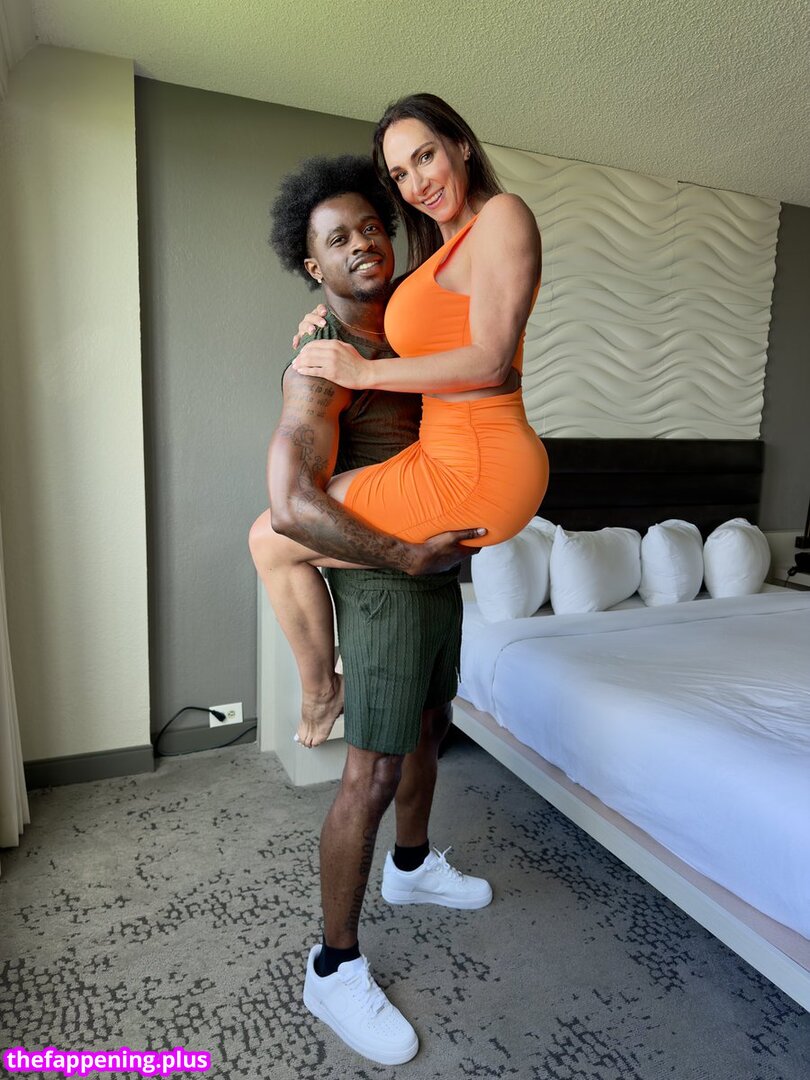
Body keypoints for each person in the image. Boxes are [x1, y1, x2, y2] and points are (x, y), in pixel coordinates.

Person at [249, 153, 493, 1067]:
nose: (361, 245)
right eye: (336, 239)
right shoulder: (318, 364)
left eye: (369, 227)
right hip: (387, 575)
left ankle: (413, 867)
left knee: (431, 727)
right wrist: (403, 555)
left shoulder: (414, 323)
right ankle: (334, 965)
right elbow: (291, 505)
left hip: (434, 567)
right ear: (311, 263)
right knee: (372, 773)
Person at [268, 93, 549, 753]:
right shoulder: (447, 246)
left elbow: (489, 364)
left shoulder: (503, 215)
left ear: (462, 146)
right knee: (291, 524)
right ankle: (330, 690)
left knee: (273, 538)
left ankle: (320, 691)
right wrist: (326, 320)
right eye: (400, 173)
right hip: (448, 455)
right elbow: (427, 333)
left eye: (425, 156)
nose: (417, 182)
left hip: (478, 465)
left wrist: (362, 372)